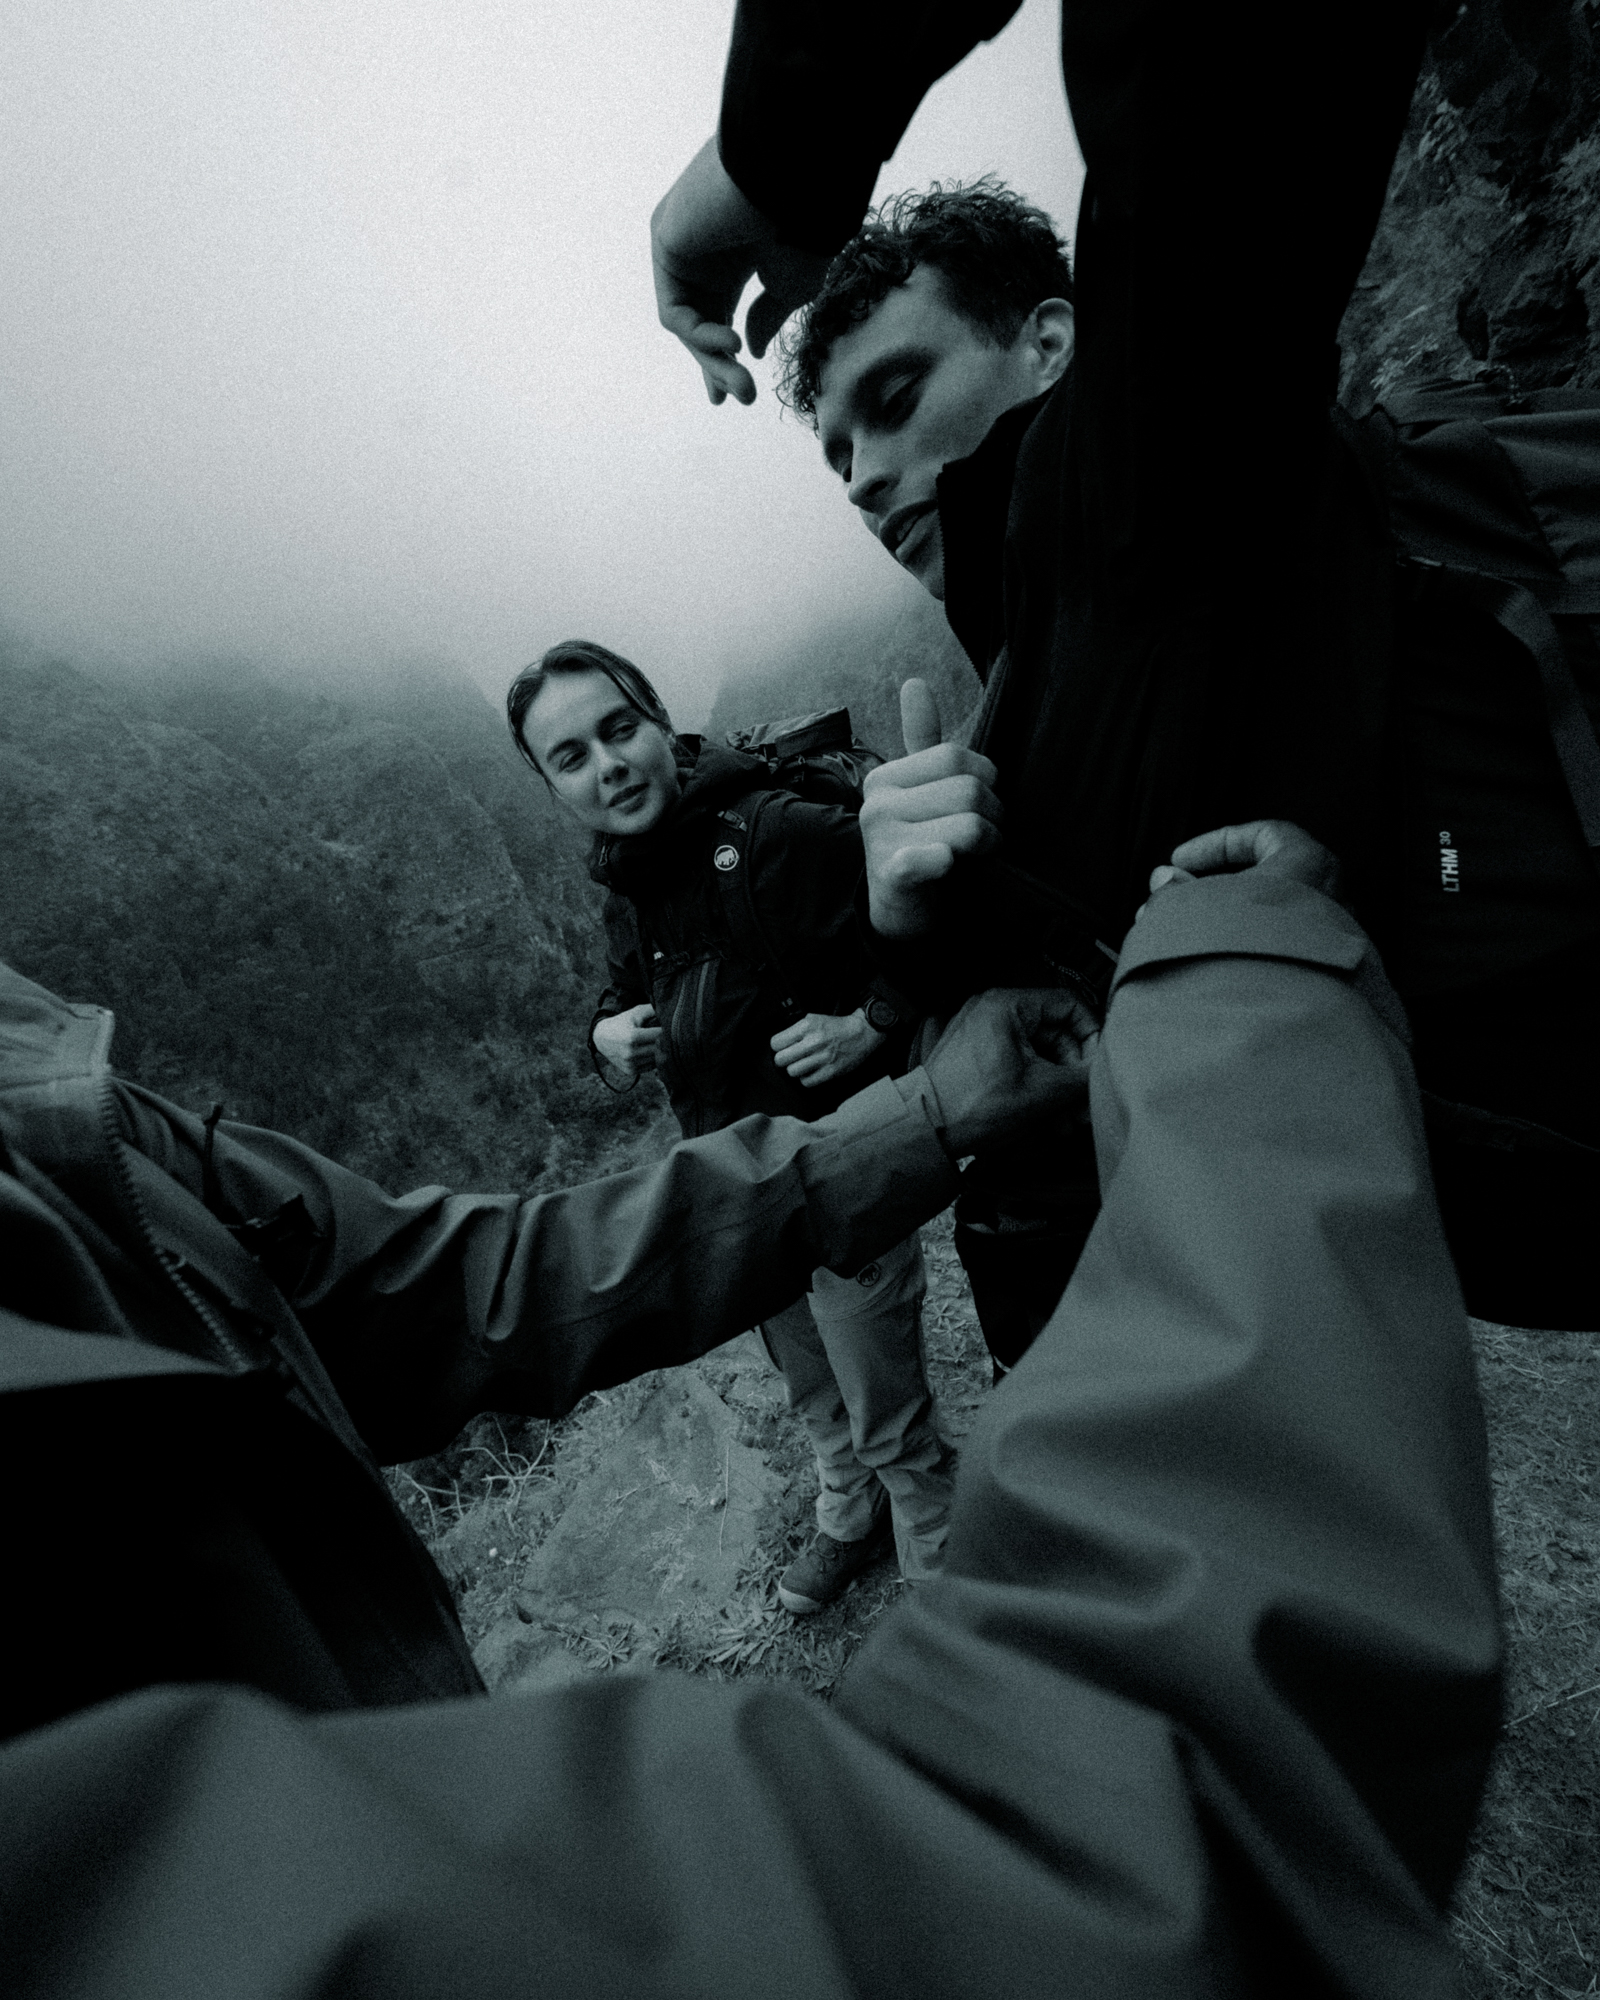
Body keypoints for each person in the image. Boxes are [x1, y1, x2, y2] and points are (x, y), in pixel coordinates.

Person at [1, 825, 1502, 1996]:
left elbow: (440, 1290)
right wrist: (1247, 990)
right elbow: (1092, 1873)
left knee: (888, 1424)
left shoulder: (46, 1092)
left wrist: (907, 1118)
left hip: (822, 1204)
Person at [648, 4, 1600, 1338]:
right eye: (838, 454)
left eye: (896, 398)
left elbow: (1219, 64)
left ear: (1052, 342)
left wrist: (776, 150)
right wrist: (930, 944)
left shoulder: (1143, 494)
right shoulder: (1033, 675)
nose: (861, 478)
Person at [507, 638, 956, 1610]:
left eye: (619, 729)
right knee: (810, 1383)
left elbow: (940, 914)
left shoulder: (776, 835)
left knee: (883, 1396)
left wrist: (871, 1021)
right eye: (571, 756)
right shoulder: (627, 881)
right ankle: (851, 1511)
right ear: (552, 787)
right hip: (738, 1183)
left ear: (660, 724)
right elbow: (626, 987)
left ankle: (940, 1559)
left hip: (844, 1174)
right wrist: (605, 1032)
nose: (607, 764)